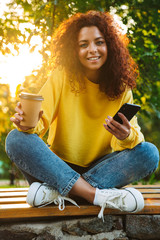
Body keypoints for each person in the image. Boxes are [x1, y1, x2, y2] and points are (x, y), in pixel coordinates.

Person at [5, 10, 159, 220]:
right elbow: (39, 121)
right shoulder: (62, 75)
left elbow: (130, 142)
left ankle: (60, 192)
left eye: (99, 42)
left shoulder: (122, 89)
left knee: (149, 153)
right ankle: (94, 195)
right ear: (74, 50)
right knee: (15, 139)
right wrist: (26, 125)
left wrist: (126, 136)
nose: (92, 50)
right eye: (83, 45)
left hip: (102, 169)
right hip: (57, 166)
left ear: (110, 46)